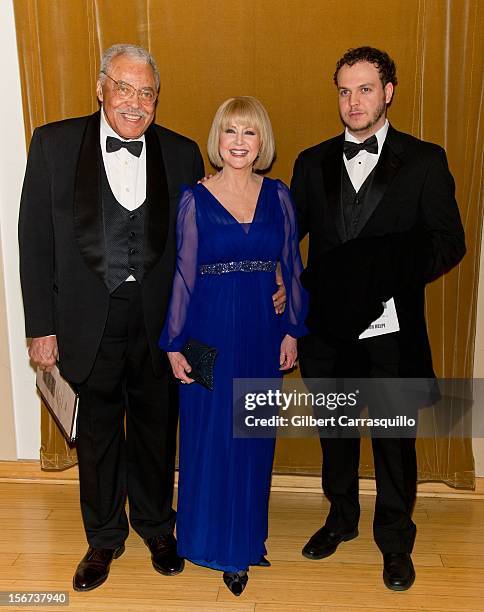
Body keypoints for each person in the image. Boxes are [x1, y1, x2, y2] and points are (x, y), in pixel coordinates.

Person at [18, 43, 208, 592]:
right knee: (97, 435)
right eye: (123, 87)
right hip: (83, 319)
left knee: (156, 429)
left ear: (156, 99)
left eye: (146, 91)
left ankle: (155, 526)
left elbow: (200, 245)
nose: (135, 101)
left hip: (158, 323)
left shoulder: (183, 153)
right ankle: (103, 537)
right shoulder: (53, 144)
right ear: (100, 87)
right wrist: (40, 328)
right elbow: (34, 240)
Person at [291, 47, 465, 591]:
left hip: (393, 334)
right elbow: (280, 240)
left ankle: (394, 539)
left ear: (388, 91)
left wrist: (388, 272)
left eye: (365, 89)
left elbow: (449, 242)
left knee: (395, 444)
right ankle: (340, 519)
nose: (353, 101)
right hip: (328, 334)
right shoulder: (310, 161)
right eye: (344, 90)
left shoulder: (425, 160)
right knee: (335, 438)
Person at [159, 96, 307, 596]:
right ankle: (205, 540)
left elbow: (291, 264)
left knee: (252, 440)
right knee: (207, 438)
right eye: (230, 132)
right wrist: (174, 344)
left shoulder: (279, 196)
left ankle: (243, 546)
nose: (239, 142)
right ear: (217, 140)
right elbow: (183, 276)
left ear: (262, 141)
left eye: (249, 133)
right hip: (206, 335)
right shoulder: (193, 199)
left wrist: (291, 329)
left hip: (261, 336)